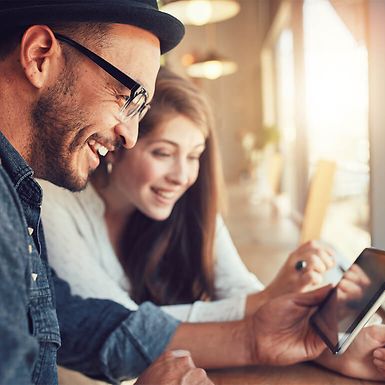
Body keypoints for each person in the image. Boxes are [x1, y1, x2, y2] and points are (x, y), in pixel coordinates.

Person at [40, 68, 385, 381]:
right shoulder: (53, 204)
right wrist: (263, 301)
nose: (182, 176)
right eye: (162, 153)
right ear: (120, 143)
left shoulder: (187, 205)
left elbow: (236, 287)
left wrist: (327, 351)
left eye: (193, 156)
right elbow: (122, 327)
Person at [0, 1, 216, 384]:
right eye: (127, 97)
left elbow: (79, 323)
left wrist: (259, 337)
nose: (130, 137)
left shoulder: (18, 193)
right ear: (38, 58)